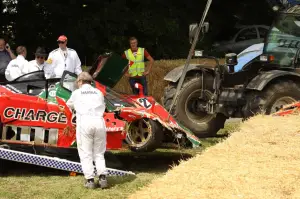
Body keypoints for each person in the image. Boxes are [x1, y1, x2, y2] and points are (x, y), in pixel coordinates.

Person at [63, 72, 108, 189]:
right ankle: (103, 178)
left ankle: (90, 180)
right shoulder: (98, 92)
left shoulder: (76, 93)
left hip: (85, 122)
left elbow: (68, 105)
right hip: (99, 121)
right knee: (99, 153)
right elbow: (103, 105)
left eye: (78, 82)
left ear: (80, 82)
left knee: (85, 153)